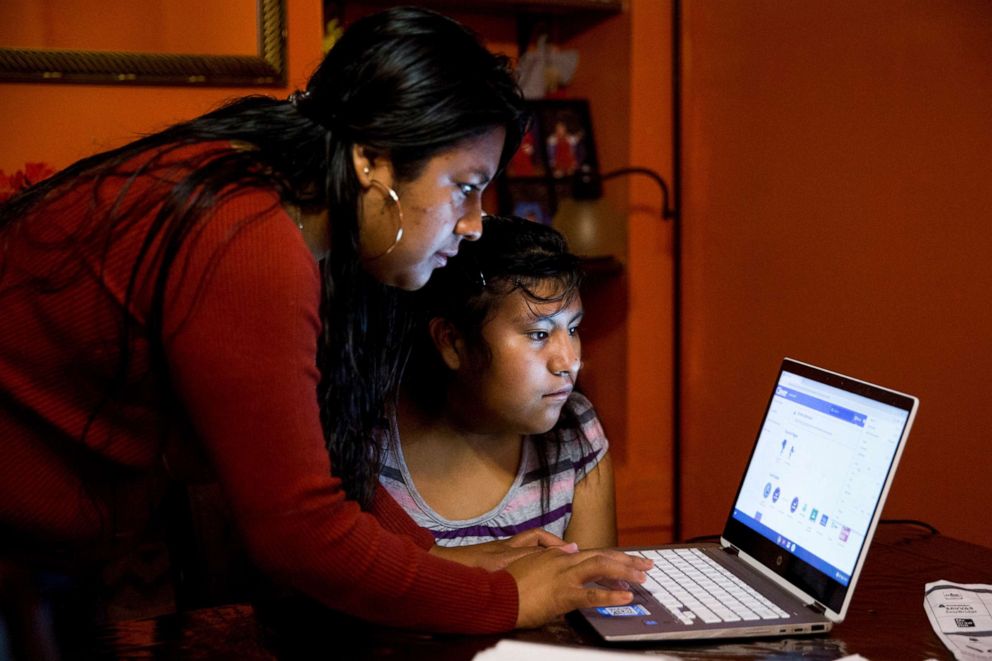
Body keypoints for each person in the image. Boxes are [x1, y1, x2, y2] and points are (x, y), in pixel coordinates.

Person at [0, 6, 649, 641]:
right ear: (372, 162)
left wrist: (441, 557)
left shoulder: (286, 210)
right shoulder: (249, 240)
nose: (475, 222)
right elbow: (298, 532)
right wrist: (511, 596)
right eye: (465, 186)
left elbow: (326, 475)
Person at [380, 215, 617, 551]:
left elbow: (594, 596)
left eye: (573, 329)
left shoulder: (576, 431)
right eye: (539, 334)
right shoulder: (371, 442)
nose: (570, 362)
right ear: (452, 342)